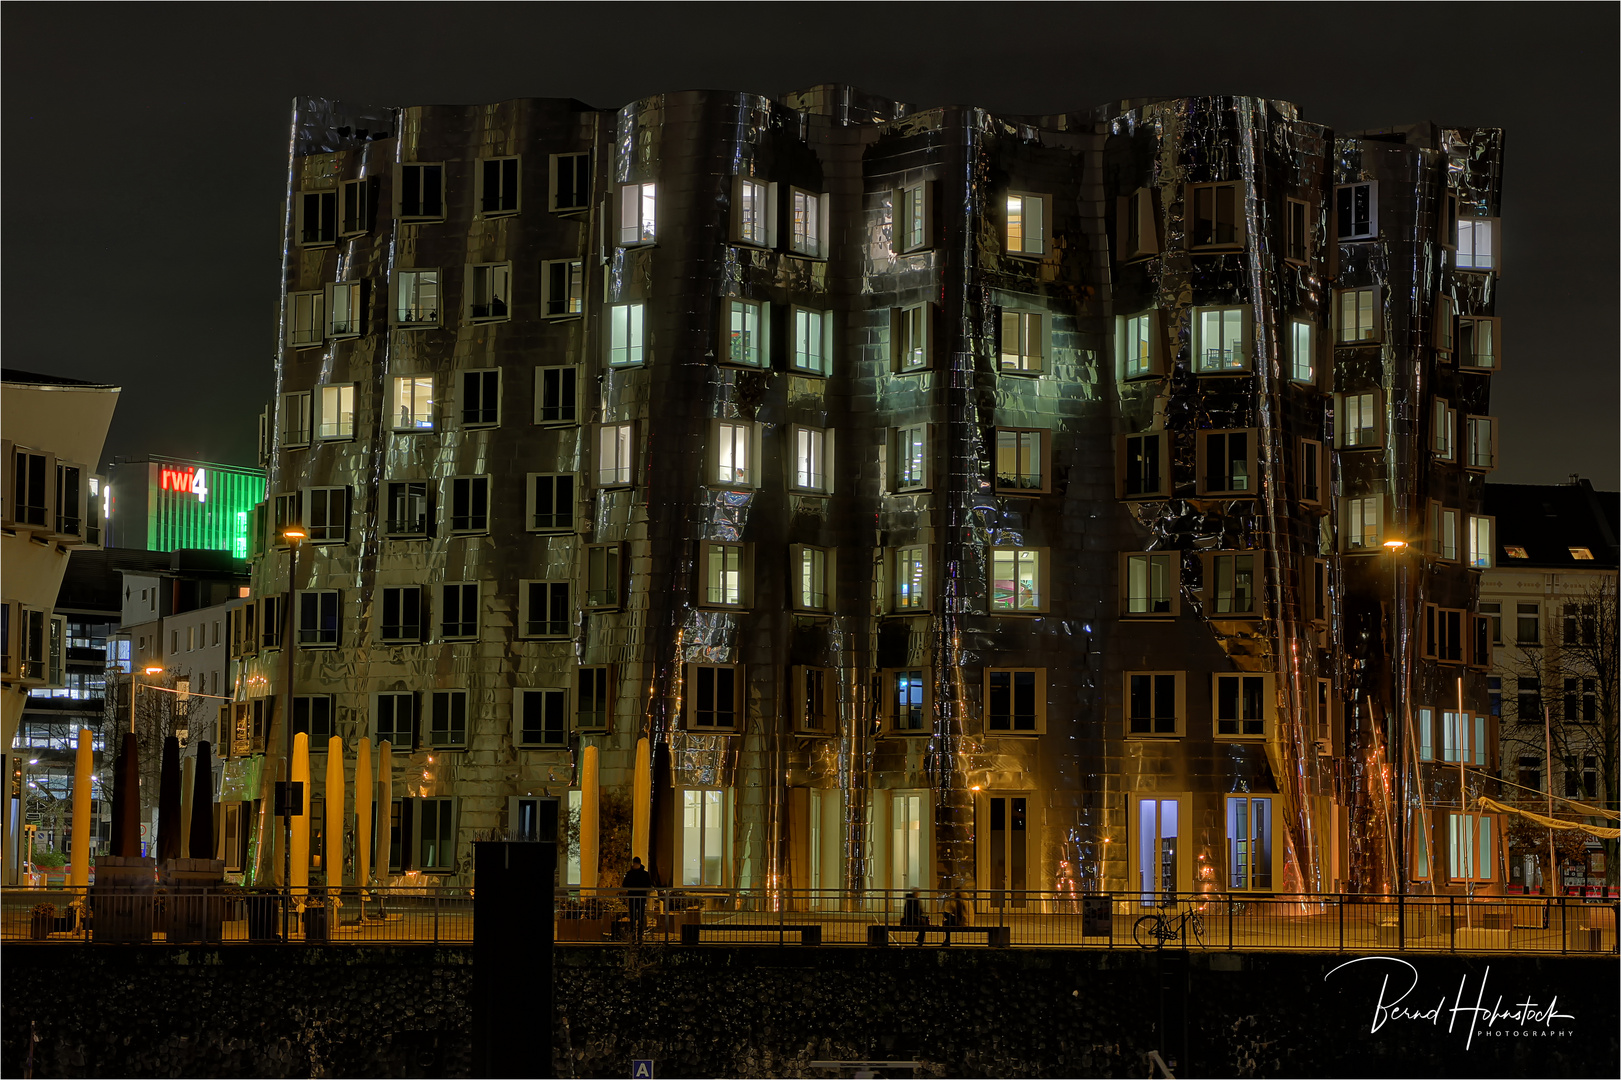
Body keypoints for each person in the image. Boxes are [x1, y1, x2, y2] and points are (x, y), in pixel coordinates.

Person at [621, 856, 653, 943]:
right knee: (637, 916)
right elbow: (648, 885)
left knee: (637, 916)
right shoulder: (644, 874)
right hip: (640, 897)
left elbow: (625, 884)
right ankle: (637, 933)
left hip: (635, 897)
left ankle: (637, 933)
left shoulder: (630, 874)